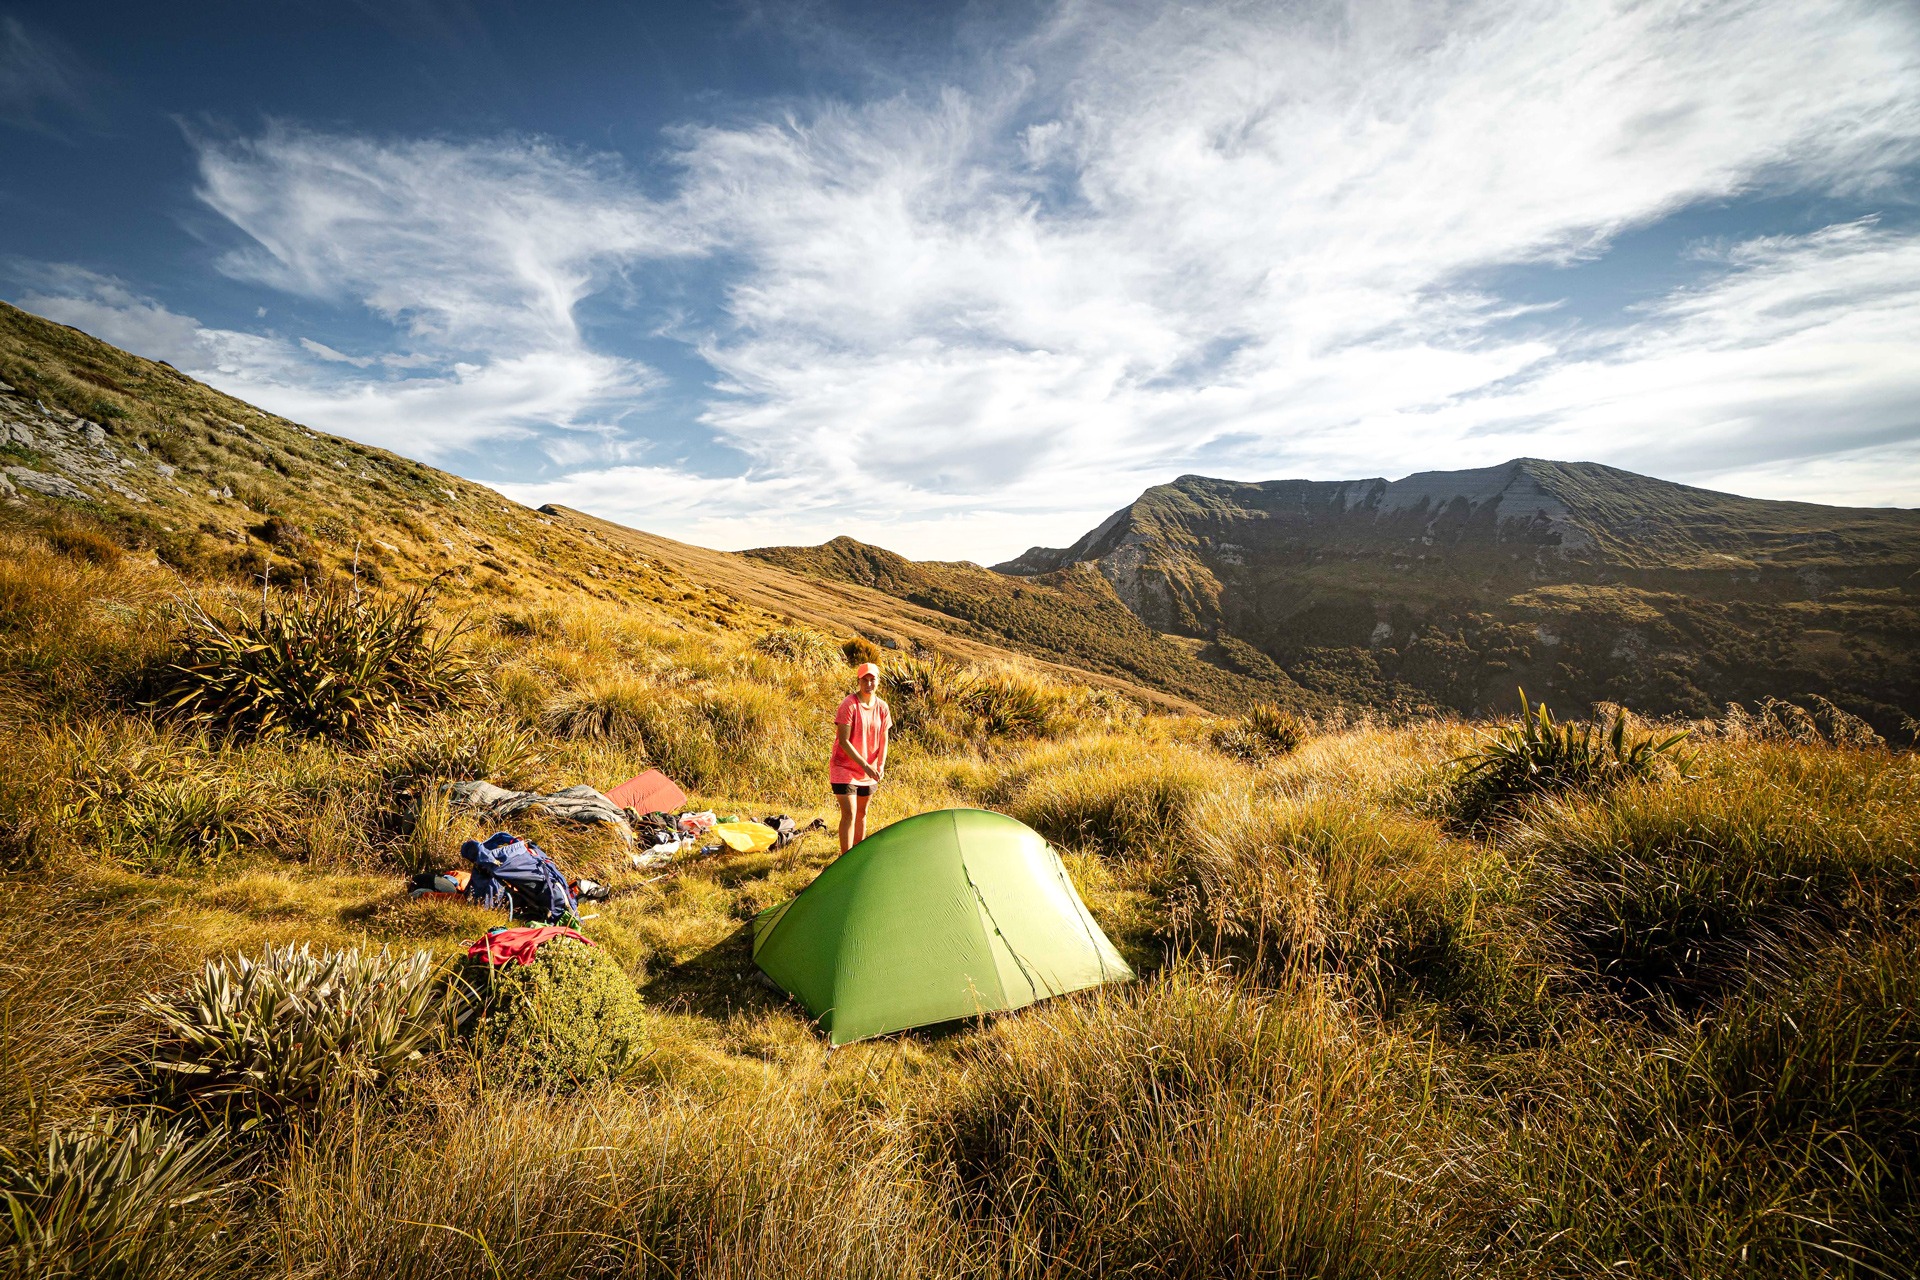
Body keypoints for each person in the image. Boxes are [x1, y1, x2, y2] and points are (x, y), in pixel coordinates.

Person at [831, 661, 891, 853]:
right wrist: (865, 765)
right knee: (849, 813)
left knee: (862, 813)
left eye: (872, 680)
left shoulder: (882, 708)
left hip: (869, 771)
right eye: (864, 680)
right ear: (858, 681)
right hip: (845, 768)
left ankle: (857, 853)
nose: (868, 684)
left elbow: (884, 738)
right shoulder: (849, 705)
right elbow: (843, 741)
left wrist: (880, 765)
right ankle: (845, 859)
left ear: (878, 681)